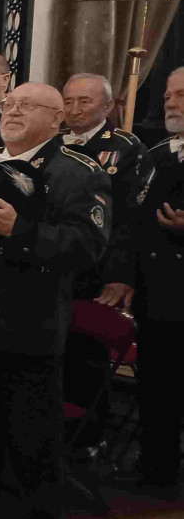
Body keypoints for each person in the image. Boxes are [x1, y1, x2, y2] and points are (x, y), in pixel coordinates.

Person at [0, 83, 111, 518]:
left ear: (56, 120)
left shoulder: (77, 171)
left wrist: (21, 231)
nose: (12, 112)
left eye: (26, 106)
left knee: (27, 443)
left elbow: (87, 246)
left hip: (25, 326)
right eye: (9, 105)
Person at [105, 66, 184, 498]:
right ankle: (157, 469)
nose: (170, 102)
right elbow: (132, 223)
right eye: (170, 94)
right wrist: (123, 275)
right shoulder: (159, 154)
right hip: (159, 296)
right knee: (158, 388)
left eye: (181, 95)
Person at [58, 73, 147, 298]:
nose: (74, 109)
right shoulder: (52, 142)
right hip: (55, 256)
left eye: (84, 101)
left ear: (107, 107)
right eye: (68, 101)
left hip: (100, 265)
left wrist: (120, 274)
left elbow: (130, 219)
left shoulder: (127, 148)